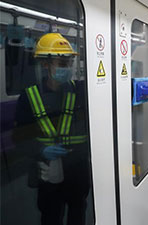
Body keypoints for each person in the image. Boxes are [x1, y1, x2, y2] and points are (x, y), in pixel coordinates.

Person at [13, 33, 91, 225]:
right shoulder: (28, 98)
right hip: (47, 171)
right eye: (62, 63)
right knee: (50, 217)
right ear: (45, 65)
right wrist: (40, 150)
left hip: (77, 171)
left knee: (77, 214)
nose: (68, 68)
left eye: (69, 63)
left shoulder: (81, 91)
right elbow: (19, 139)